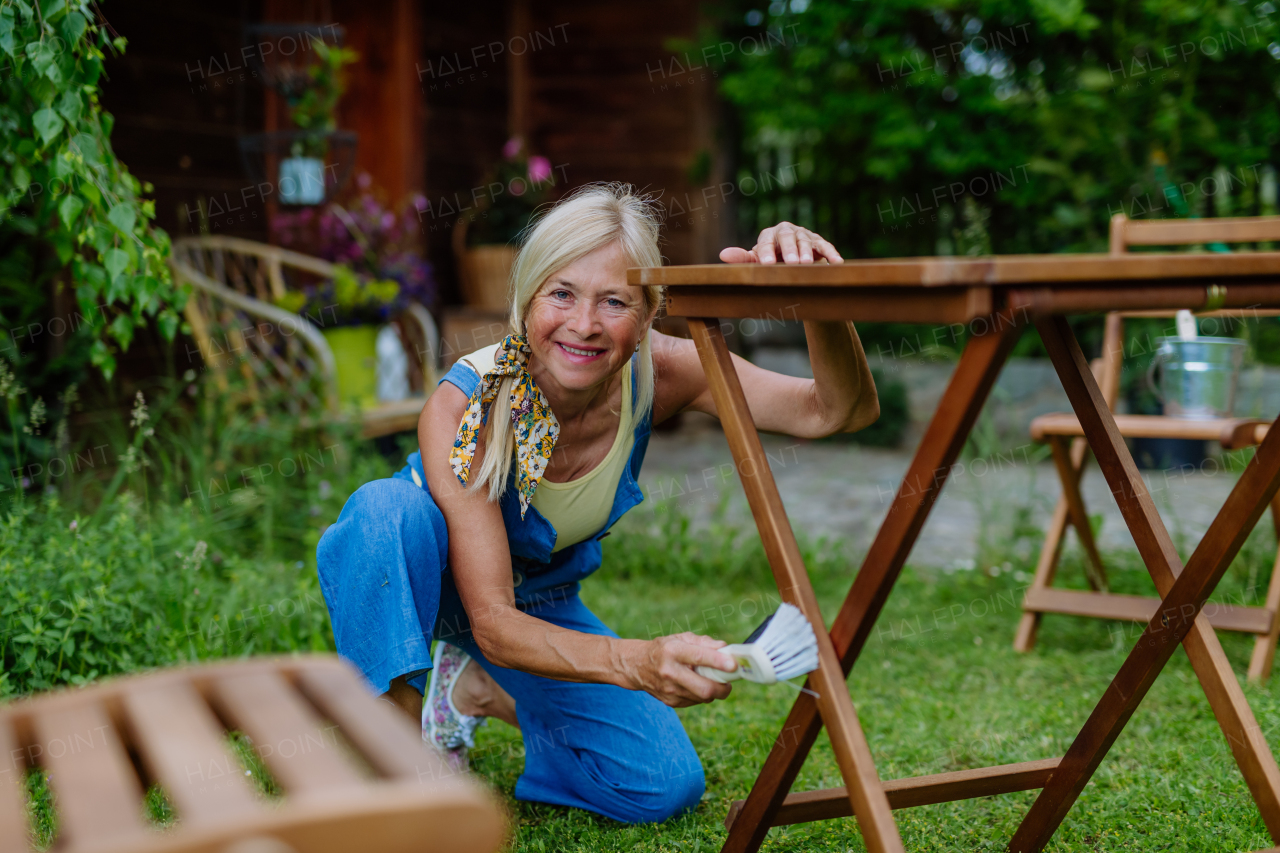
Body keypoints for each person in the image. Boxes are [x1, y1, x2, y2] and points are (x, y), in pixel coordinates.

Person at [317, 183, 879, 824]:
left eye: (614, 301)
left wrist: (820, 299)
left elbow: (837, 410)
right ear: (526, 301)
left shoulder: (662, 373)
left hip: (538, 599)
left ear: (646, 316)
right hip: (421, 586)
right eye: (561, 293)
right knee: (384, 511)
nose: (583, 325)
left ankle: (471, 689)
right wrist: (636, 660)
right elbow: (492, 620)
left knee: (661, 785)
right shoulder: (471, 402)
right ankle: (396, 771)